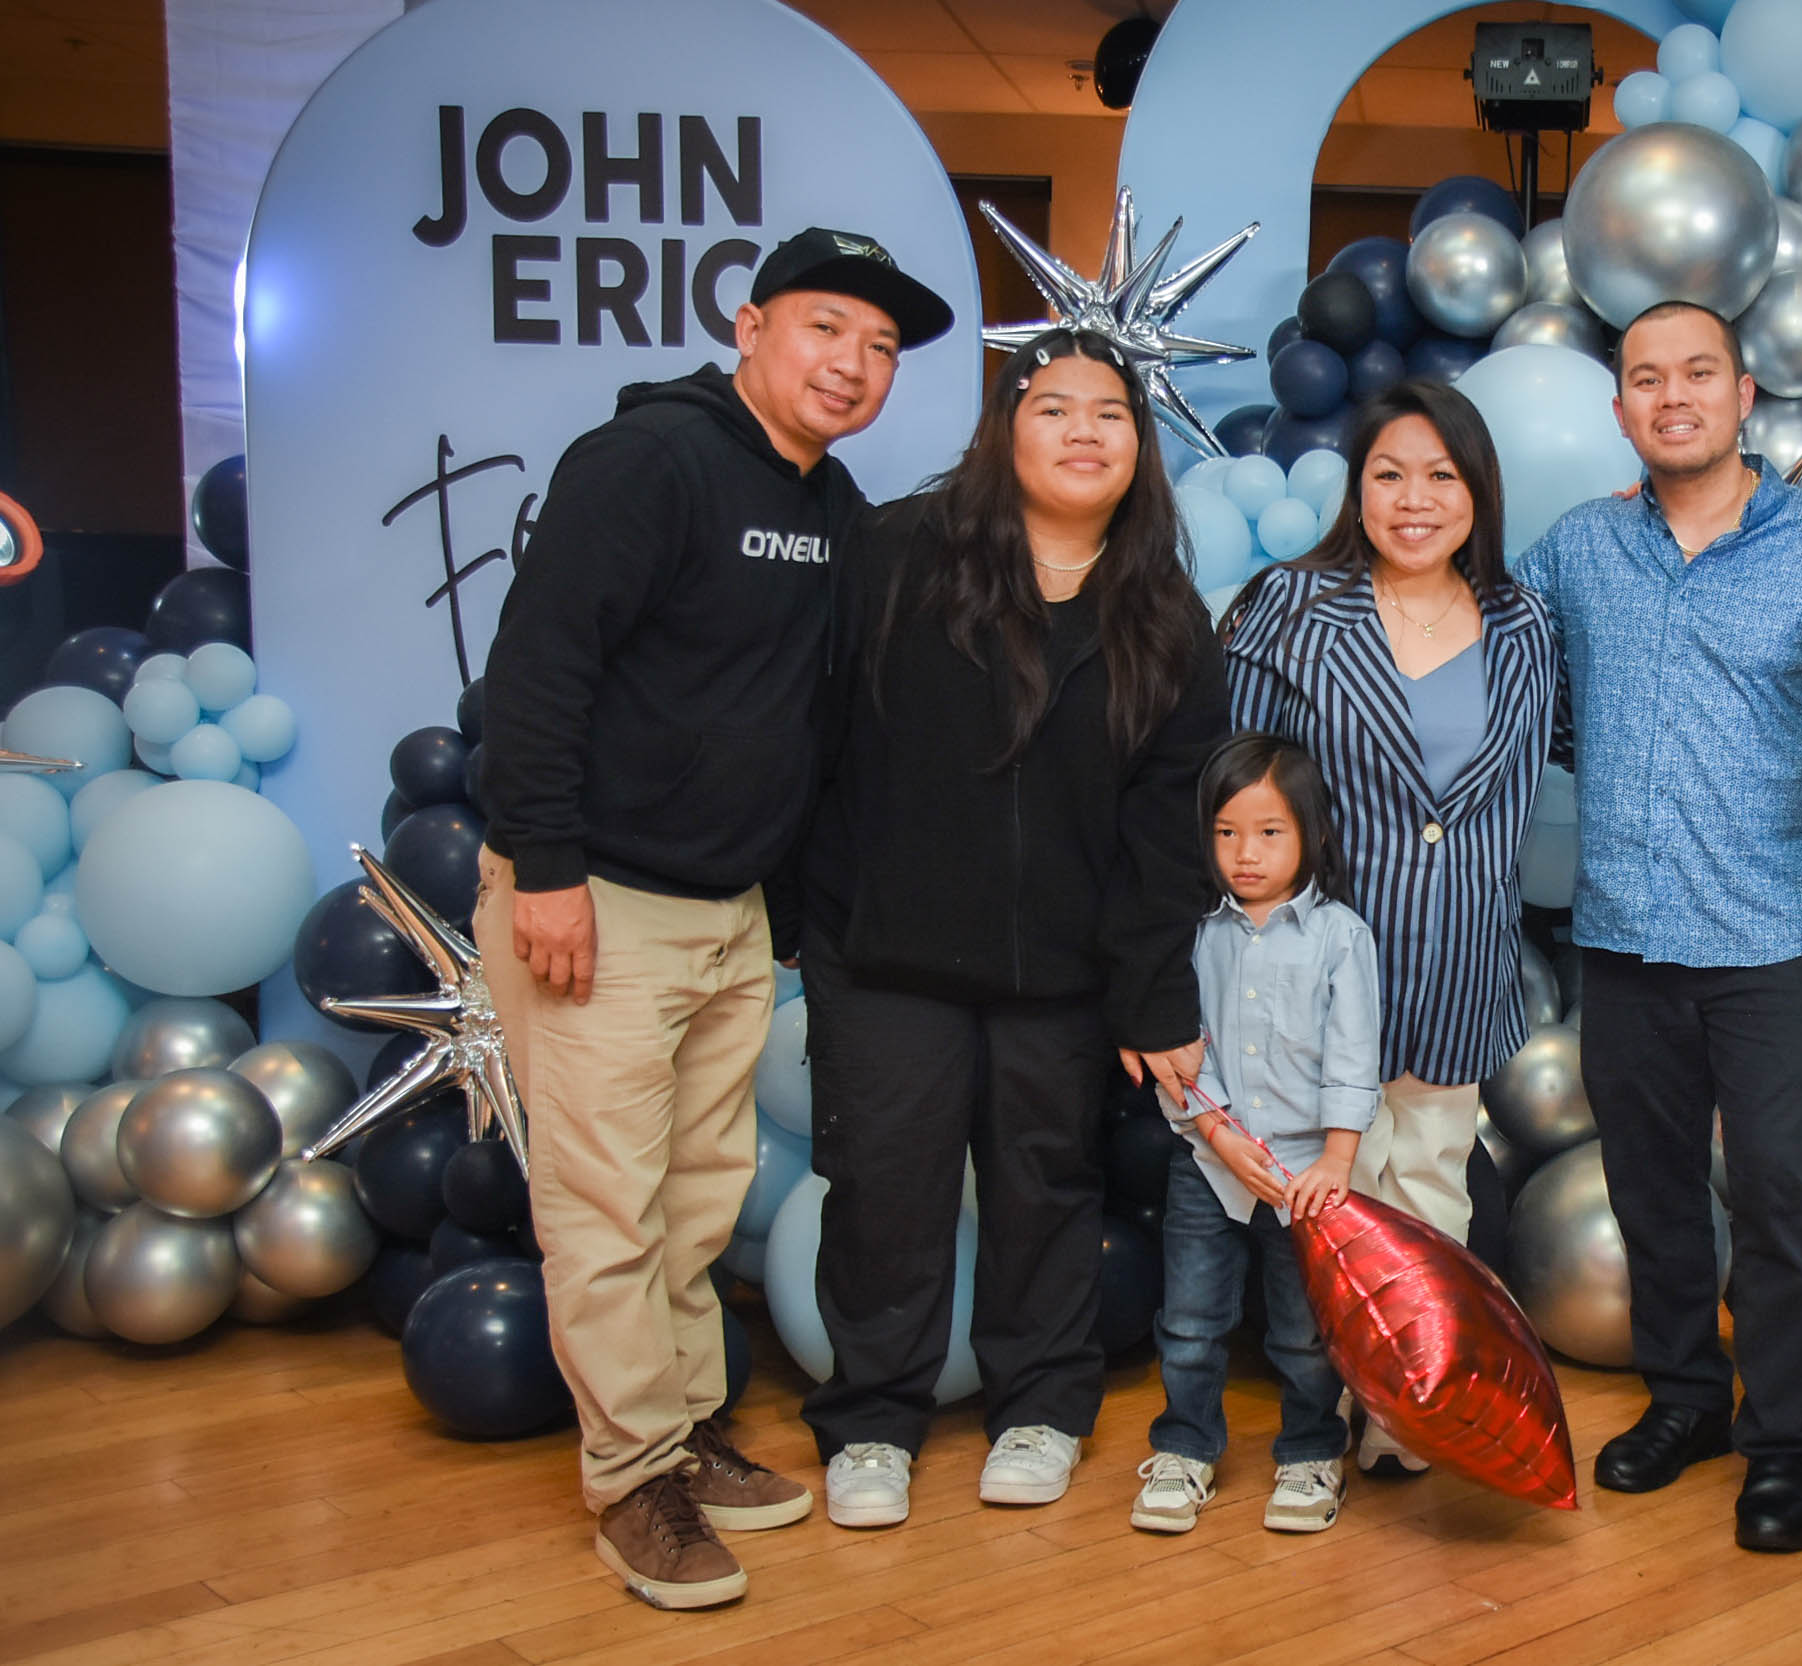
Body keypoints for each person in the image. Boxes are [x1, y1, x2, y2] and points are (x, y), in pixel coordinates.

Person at [474, 227, 954, 1609]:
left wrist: (779, 908)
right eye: (826, 328)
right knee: (605, 1210)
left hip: (729, 913)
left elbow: (804, 719)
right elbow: (539, 666)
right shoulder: (648, 462)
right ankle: (632, 1481)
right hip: (597, 900)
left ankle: (681, 1433)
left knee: (692, 1204)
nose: (852, 363)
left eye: (879, 348)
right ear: (750, 328)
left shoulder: (833, 503)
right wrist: (546, 868)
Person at [799, 328, 1228, 1527]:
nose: (1084, 430)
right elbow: (812, 730)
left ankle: (1040, 1404)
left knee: (1046, 1188)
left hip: (1062, 974)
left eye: (1110, 413)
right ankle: (872, 1418)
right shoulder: (895, 553)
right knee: (884, 1187)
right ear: (1003, 430)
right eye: (1053, 408)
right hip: (886, 955)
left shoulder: (1165, 616)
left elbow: (1166, 830)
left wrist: (1147, 988)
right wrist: (808, 911)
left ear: (1139, 447)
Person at [1508, 299, 1802, 1553]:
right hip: (1624, 934)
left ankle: (1785, 1440)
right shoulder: (1579, 547)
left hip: (1772, 939)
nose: (1673, 397)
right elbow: (1482, 649)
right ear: (1620, 411)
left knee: (1777, 1197)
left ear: (1743, 394)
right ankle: (1687, 1400)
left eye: (1697, 373)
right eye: (1646, 379)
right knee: (1652, 1190)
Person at [1220, 380, 1557, 1474]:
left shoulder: (1524, 623)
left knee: (1431, 1187)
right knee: (1333, 1201)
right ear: (1355, 486)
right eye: (1389, 474)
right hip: (1324, 970)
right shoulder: (1292, 605)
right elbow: (1231, 783)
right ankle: (1322, 1415)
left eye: (1441, 476)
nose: (1415, 500)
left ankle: (1413, 1407)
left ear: (1478, 491)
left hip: (1458, 960)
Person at [1129, 732, 1380, 1537]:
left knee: (1304, 1333)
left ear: (1311, 833)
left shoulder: (1341, 937)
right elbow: (1180, 1047)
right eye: (1226, 832)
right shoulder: (1196, 932)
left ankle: (1310, 1454)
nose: (1245, 853)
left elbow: (1353, 1056)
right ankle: (1184, 1448)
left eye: (1269, 832)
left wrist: (1336, 1159)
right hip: (1209, 1164)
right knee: (1189, 1322)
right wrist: (1215, 1133)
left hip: (1306, 1176)